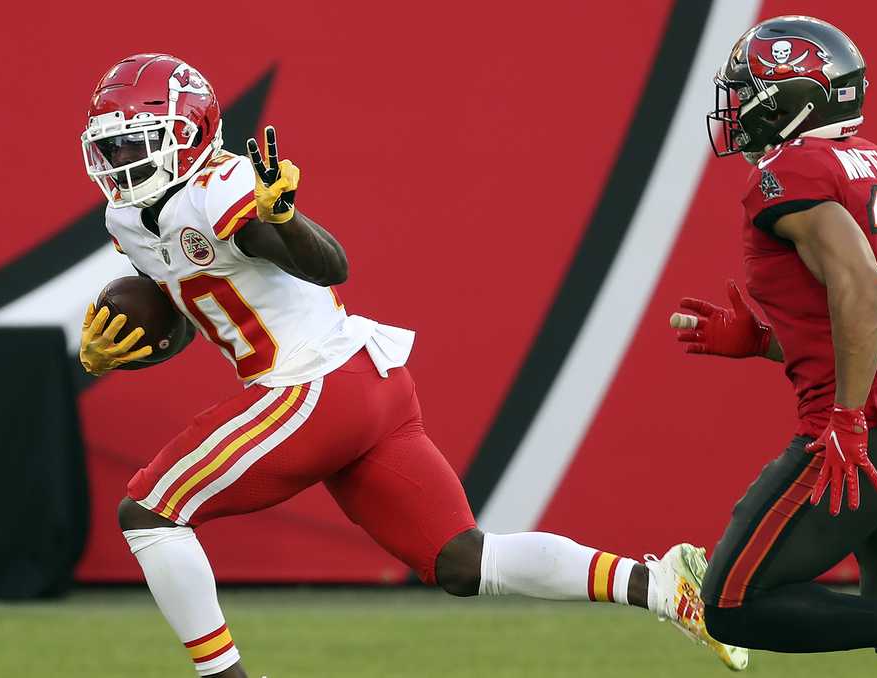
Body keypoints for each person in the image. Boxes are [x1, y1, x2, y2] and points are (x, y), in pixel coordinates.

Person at [77, 53, 748, 677]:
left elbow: (330, 265)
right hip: (365, 385)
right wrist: (120, 350)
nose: (122, 159)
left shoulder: (223, 188)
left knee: (150, 512)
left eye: (137, 140)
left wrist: (285, 221)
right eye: (112, 145)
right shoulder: (129, 217)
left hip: (313, 385)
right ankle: (662, 584)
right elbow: (197, 307)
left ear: (190, 132)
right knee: (462, 560)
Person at [674, 16, 877, 678]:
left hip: (870, 425)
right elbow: (858, 311)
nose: (738, 106)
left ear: (795, 97)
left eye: (751, 91)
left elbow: (861, 286)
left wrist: (847, 415)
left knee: (730, 603)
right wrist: (770, 341)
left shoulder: (791, 170)